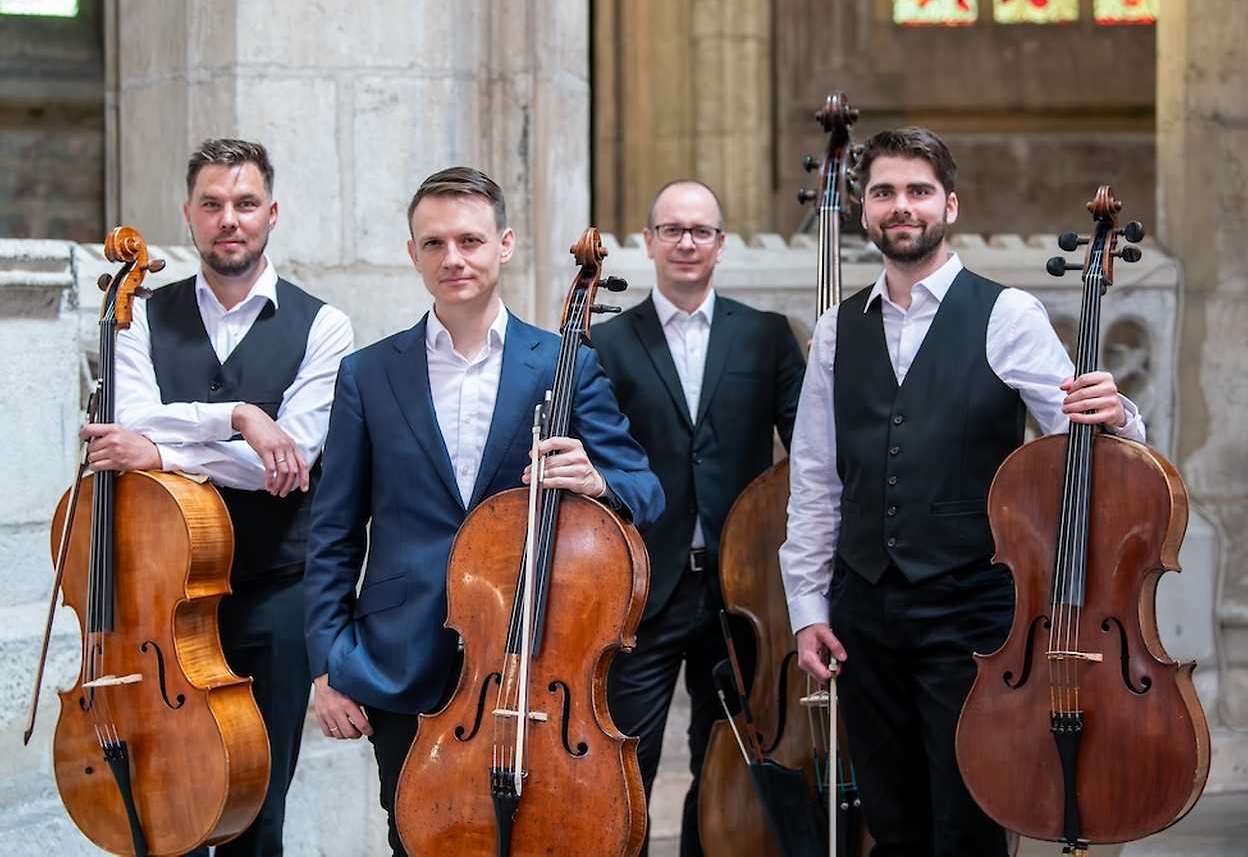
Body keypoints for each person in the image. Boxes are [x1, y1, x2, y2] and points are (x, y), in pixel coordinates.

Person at [780, 127, 1147, 857]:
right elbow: (816, 480)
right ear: (864, 209)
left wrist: (1118, 414)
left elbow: (1088, 443)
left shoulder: (1007, 314)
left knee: (970, 824)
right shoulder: (835, 330)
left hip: (972, 611)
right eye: (884, 192)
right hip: (863, 611)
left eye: (918, 191)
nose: (901, 206)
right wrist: (807, 609)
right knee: (893, 824)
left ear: (949, 205)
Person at [303, 166, 664, 856]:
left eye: (469, 240)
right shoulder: (367, 374)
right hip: (400, 660)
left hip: (532, 655)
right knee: (419, 841)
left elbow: (645, 490)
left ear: (504, 244)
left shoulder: (562, 363)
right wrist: (327, 665)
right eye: (434, 243)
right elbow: (333, 534)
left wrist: (597, 479)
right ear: (412, 254)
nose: (453, 258)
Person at [82, 138, 354, 856]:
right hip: (157, 603)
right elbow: (128, 420)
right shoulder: (138, 315)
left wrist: (161, 453)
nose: (228, 219)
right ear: (189, 214)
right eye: (212, 204)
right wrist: (239, 418)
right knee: (161, 807)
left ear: (272, 213)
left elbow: (287, 466)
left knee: (257, 812)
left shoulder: (324, 326)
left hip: (274, 594)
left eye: (244, 203)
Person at [593, 179, 806, 857]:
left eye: (701, 231)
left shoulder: (766, 336)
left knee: (727, 760)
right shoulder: (607, 341)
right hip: (642, 588)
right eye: (672, 230)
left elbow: (810, 452)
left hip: (741, 591)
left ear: (721, 243)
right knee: (627, 759)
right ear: (649, 241)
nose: (686, 242)